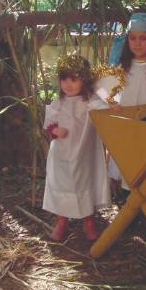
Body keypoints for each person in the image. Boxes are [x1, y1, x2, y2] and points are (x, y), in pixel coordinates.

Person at [43, 55, 110, 241]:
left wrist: (113, 104)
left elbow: (106, 105)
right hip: (61, 153)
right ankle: (61, 220)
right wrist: (55, 129)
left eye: (74, 79)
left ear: (84, 80)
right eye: (64, 79)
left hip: (84, 153)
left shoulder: (90, 102)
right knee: (62, 184)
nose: (68, 84)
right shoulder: (58, 103)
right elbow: (48, 123)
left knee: (84, 183)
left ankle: (88, 221)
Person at [107, 12, 146, 190]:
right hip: (123, 124)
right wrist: (110, 102)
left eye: (143, 38)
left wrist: (143, 119)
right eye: (133, 38)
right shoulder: (120, 65)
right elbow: (103, 90)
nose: (137, 43)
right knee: (125, 171)